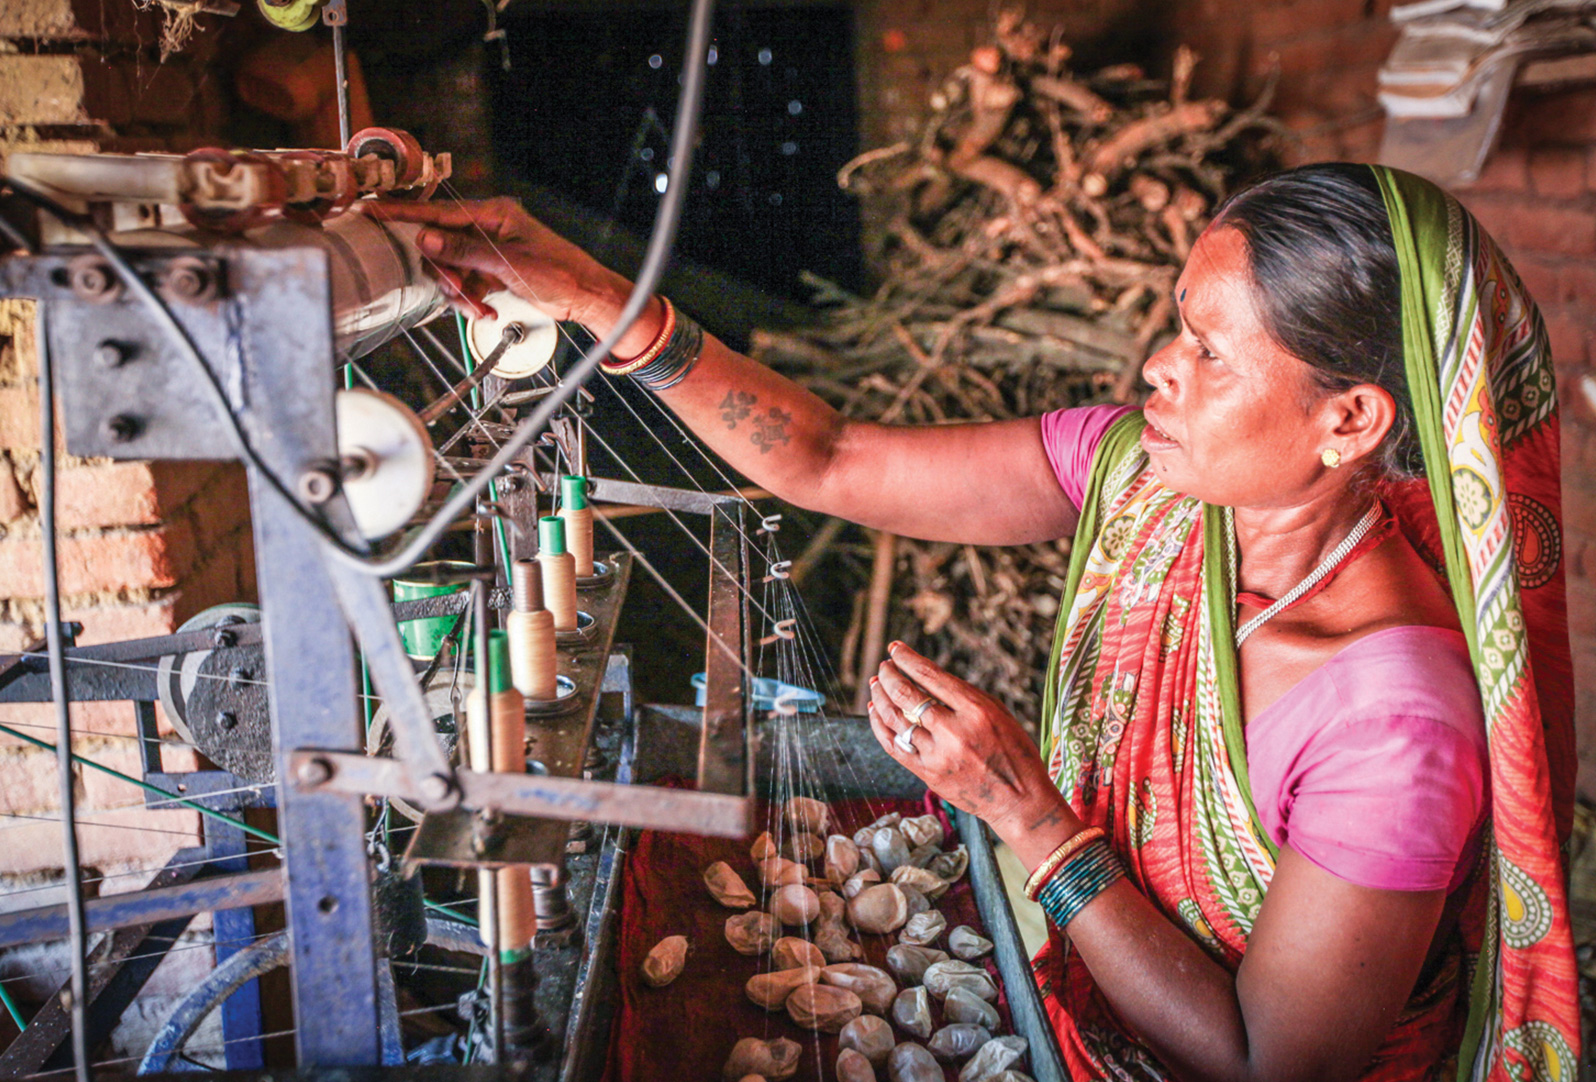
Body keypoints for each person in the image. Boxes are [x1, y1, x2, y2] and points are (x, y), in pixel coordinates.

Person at [378, 162, 1578, 1082]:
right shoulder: (1141, 480)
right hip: (1068, 1007)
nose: (1158, 364)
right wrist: (594, 297)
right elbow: (830, 456)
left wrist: (1023, 811)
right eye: (1176, 322)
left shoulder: (1394, 723)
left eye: (1210, 352)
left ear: (1352, 417)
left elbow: (1269, 1057)